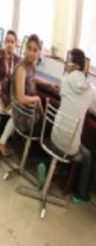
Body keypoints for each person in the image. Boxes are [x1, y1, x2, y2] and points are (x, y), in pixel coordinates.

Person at [44, 48, 96, 202]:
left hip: (54, 139)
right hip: (70, 148)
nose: (66, 65)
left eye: (67, 62)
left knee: (62, 135)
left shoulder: (64, 80)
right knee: (87, 156)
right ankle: (81, 195)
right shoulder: (90, 91)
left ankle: (51, 167)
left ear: (73, 65)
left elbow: (65, 95)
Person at [0, 34, 57, 156]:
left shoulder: (30, 66)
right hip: (23, 116)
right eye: (29, 48)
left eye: (35, 50)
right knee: (50, 125)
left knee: (49, 122)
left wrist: (49, 84)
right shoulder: (22, 69)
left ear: (39, 53)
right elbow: (21, 98)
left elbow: (32, 79)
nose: (31, 53)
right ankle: (39, 159)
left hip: (22, 112)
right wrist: (37, 99)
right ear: (25, 49)